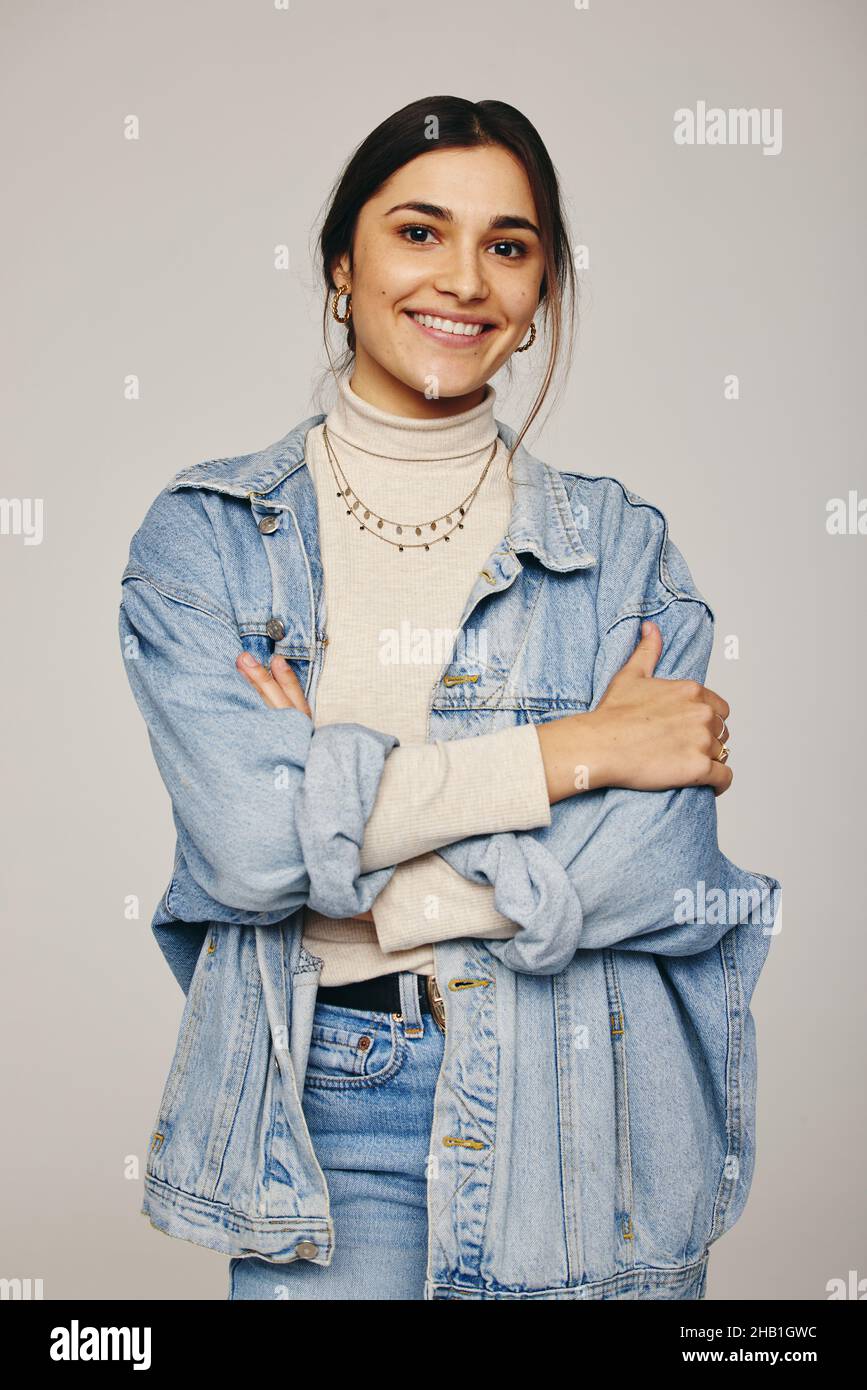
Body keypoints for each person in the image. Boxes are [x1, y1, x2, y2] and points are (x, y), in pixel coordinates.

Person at [119, 96, 779, 1301]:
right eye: (420, 232)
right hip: (324, 1120)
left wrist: (341, 805)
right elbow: (245, 836)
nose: (464, 279)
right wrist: (574, 751)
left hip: (581, 1118)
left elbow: (651, 861)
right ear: (342, 264)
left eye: (509, 246)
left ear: (539, 297)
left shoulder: (619, 549)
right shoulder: (210, 541)